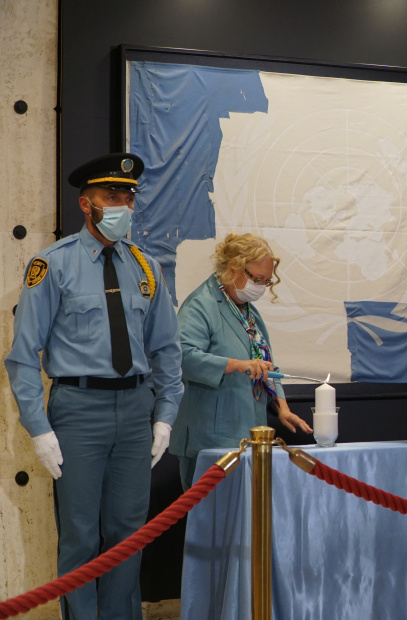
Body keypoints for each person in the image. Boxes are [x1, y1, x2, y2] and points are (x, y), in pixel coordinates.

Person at [5, 153, 184, 619]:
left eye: (128, 196)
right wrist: (39, 428)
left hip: (136, 410)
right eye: (112, 196)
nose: (122, 204)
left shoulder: (145, 268)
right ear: (87, 204)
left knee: (129, 532)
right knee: (82, 534)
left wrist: (165, 414)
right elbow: (23, 357)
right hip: (78, 409)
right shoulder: (52, 265)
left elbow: (166, 349)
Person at [168, 232, 311, 489]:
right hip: (210, 440)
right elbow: (183, 358)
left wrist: (282, 407)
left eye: (266, 282)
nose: (260, 287)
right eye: (256, 279)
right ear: (233, 268)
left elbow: (267, 364)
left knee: (244, 521)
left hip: (248, 434)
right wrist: (239, 364)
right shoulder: (201, 305)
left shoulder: (247, 311)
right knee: (213, 520)